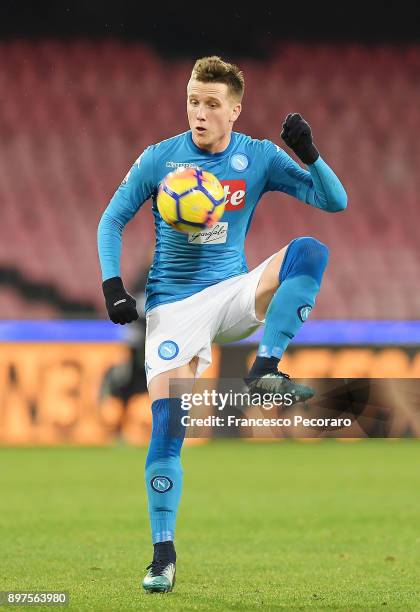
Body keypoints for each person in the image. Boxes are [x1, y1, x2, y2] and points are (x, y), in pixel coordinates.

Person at [97, 56, 347, 593]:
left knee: (310, 251)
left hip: (232, 292)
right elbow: (112, 218)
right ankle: (163, 555)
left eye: (212, 104)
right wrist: (113, 286)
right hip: (172, 309)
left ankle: (266, 367)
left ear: (235, 110)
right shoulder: (159, 159)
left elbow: (334, 200)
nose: (200, 113)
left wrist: (309, 154)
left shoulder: (255, 157)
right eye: (193, 100)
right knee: (168, 433)